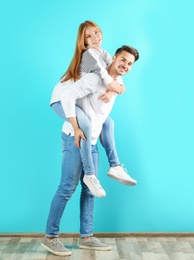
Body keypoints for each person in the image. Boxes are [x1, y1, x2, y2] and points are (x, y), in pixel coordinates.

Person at [41, 45, 140, 256]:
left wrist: (114, 88)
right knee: (67, 187)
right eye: (122, 60)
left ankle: (86, 237)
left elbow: (108, 108)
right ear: (113, 58)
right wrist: (76, 127)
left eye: (130, 64)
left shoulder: (118, 82)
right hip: (74, 138)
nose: (125, 65)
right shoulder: (94, 78)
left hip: (92, 142)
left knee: (89, 191)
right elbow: (67, 96)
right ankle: (50, 238)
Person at [50, 20, 136, 198]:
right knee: (86, 126)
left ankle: (115, 165)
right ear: (84, 42)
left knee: (108, 122)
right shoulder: (89, 54)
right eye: (88, 36)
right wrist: (75, 127)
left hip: (72, 97)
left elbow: (114, 75)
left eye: (96, 32)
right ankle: (89, 174)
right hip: (60, 99)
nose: (95, 37)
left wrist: (113, 91)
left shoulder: (103, 53)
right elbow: (105, 76)